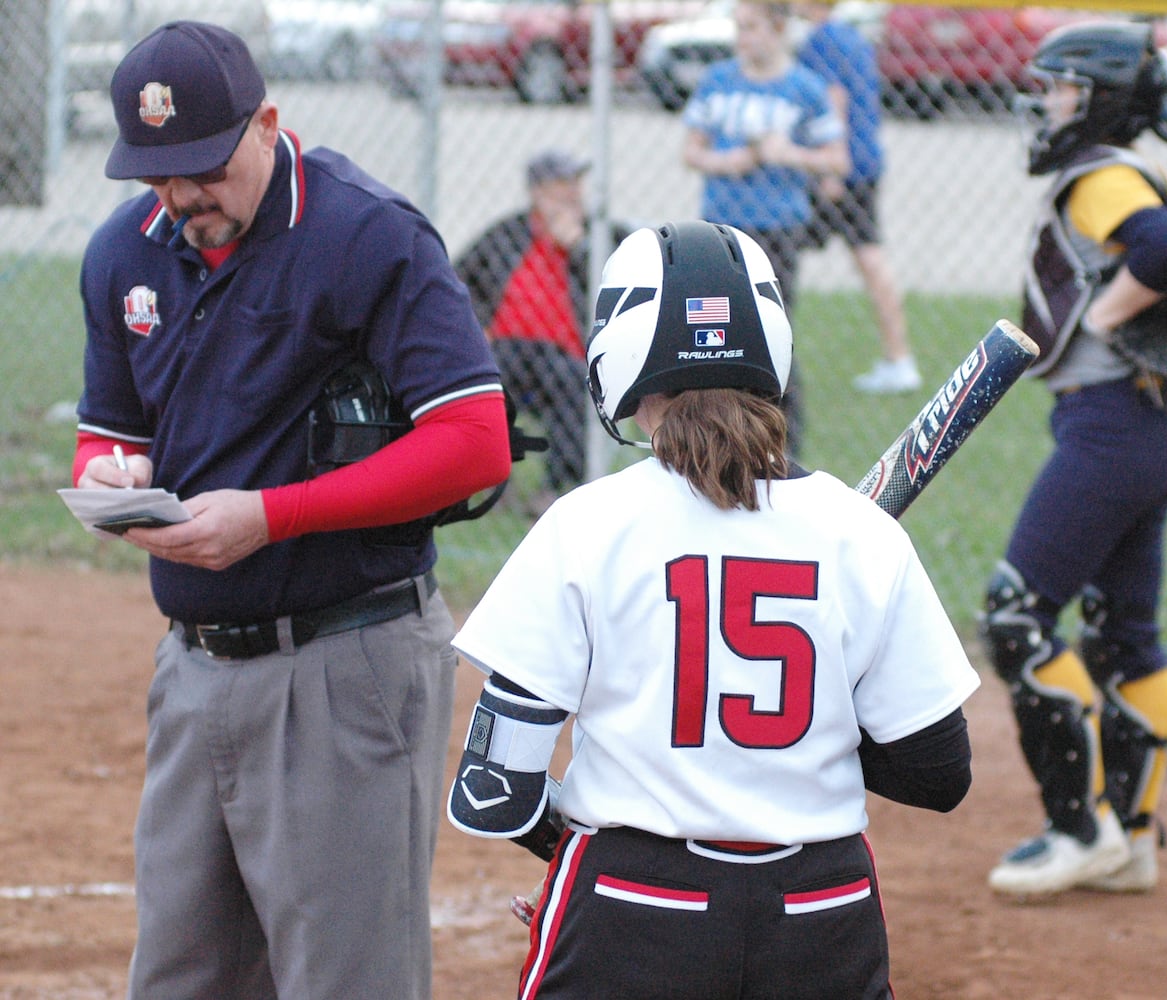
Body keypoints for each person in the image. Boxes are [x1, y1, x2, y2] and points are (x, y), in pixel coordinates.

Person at [72, 21, 511, 998]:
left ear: (267, 123)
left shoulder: (367, 235)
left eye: (204, 168)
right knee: (184, 976)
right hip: (190, 667)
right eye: (157, 176)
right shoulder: (125, 256)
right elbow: (107, 430)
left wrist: (274, 514)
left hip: (344, 657)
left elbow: (475, 442)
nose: (184, 199)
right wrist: (109, 473)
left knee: (345, 978)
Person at [444, 220, 980, 998]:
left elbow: (495, 790)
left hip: (633, 908)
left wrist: (584, 850)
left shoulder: (585, 526)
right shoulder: (860, 535)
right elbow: (940, 774)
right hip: (822, 915)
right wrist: (807, 727)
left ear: (618, 354)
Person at [981, 21, 1167, 896]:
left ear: (1101, 96)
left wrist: (1111, 320)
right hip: (1147, 426)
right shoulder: (1122, 171)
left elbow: (1163, 253)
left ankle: (1083, 829)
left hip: (1114, 426)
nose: (1046, 102)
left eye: (1062, 87)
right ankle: (1134, 837)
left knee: (1017, 616)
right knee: (1124, 638)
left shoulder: (1102, 177)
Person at [682, 0, 850, 456]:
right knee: (710, 334)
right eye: (738, 27)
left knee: (770, 334)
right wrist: (726, 161)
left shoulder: (804, 88)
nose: (743, 37)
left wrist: (789, 153)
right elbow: (692, 151)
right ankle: (714, 435)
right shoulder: (718, 80)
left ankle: (782, 443)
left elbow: (837, 159)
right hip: (719, 231)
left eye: (752, 28)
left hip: (776, 229)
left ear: (778, 29)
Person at [455, 150, 633, 515]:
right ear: (537, 193)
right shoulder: (508, 234)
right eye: (560, 186)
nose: (572, 194)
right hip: (505, 347)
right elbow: (457, 281)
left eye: (575, 185)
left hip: (565, 353)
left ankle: (557, 489)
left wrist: (580, 249)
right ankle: (489, 480)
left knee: (571, 385)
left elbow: (626, 289)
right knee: (484, 384)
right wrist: (476, 333)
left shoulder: (602, 235)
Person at [795, 1, 922, 395]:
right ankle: (899, 357)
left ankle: (900, 358)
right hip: (861, 162)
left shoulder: (822, 40)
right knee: (866, 253)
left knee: (862, 255)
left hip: (842, 168)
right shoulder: (850, 36)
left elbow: (835, 98)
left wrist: (831, 168)